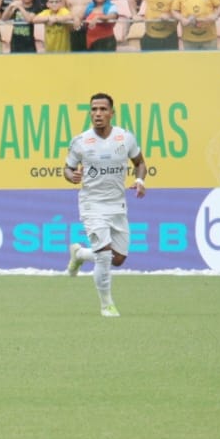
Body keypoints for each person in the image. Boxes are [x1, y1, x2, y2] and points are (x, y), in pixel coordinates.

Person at [62, 93, 146, 318]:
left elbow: (140, 163)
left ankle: (79, 254)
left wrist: (139, 180)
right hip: (92, 204)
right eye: (93, 110)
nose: (97, 114)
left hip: (117, 205)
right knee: (104, 257)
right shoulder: (80, 141)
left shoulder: (125, 138)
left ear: (111, 112)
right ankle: (107, 305)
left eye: (102, 109)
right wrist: (72, 176)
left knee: (118, 259)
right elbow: (67, 168)